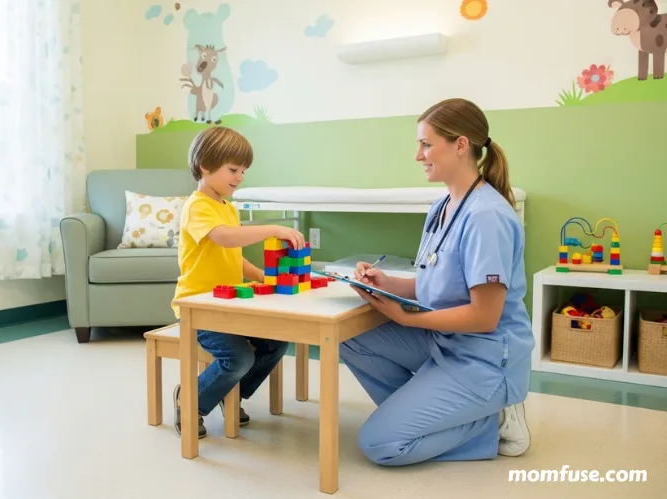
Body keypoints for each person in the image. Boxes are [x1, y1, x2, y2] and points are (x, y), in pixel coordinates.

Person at [341, 98, 534, 466]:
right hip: (444, 343)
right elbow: (437, 283)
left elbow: (484, 317)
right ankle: (436, 411)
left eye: (426, 144)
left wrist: (407, 319)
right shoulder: (442, 206)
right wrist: (387, 282)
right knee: (349, 336)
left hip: (484, 359)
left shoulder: (487, 217)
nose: (418, 155)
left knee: (380, 445)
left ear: (461, 145)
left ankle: (488, 424)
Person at [171, 126, 306, 438]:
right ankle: (191, 402)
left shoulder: (226, 207)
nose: (240, 176)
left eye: (243, 170)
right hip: (200, 307)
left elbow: (232, 255)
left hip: (229, 302)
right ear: (205, 165)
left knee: (275, 342)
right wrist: (272, 229)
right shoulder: (197, 206)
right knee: (239, 357)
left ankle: (228, 394)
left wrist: (260, 275)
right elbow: (225, 238)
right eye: (233, 169)